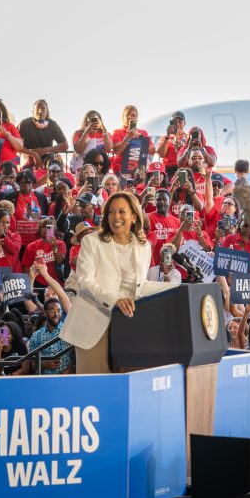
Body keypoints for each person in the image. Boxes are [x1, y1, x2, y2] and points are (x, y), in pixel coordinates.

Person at [60, 192, 171, 373]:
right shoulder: (91, 241)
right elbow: (84, 281)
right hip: (93, 321)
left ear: (134, 216)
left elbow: (141, 285)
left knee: (126, 381)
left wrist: (176, 290)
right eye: (111, 212)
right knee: (95, 385)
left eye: (122, 212)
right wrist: (114, 300)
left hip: (129, 323)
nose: (116, 217)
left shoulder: (143, 247)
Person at [29, 298, 74, 375]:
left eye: (59, 311)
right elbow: (31, 364)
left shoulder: (69, 332)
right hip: (44, 380)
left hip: (65, 378)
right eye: (52, 311)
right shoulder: (36, 336)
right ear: (45, 313)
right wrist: (44, 364)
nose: (56, 314)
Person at [18, 99, 68, 168]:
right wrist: (33, 154)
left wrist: (44, 150)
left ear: (47, 112)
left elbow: (65, 145)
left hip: (47, 164)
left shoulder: (53, 124)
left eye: (43, 109)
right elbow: (15, 145)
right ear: (33, 111)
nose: (40, 111)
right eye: (37, 108)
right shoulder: (24, 124)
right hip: (28, 164)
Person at [110, 105, 155, 179]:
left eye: (133, 115)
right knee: (124, 191)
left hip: (140, 171)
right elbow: (117, 151)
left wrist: (141, 138)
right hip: (122, 171)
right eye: (127, 115)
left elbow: (152, 151)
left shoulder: (143, 132)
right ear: (123, 117)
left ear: (137, 118)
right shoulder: (117, 132)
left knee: (140, 189)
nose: (130, 117)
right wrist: (128, 137)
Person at [71, 110, 114, 174]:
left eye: (97, 119)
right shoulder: (79, 133)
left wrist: (104, 130)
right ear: (87, 121)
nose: (95, 122)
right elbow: (78, 150)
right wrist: (87, 131)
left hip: (100, 169)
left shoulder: (105, 134)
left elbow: (108, 148)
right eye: (92, 120)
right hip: (84, 170)